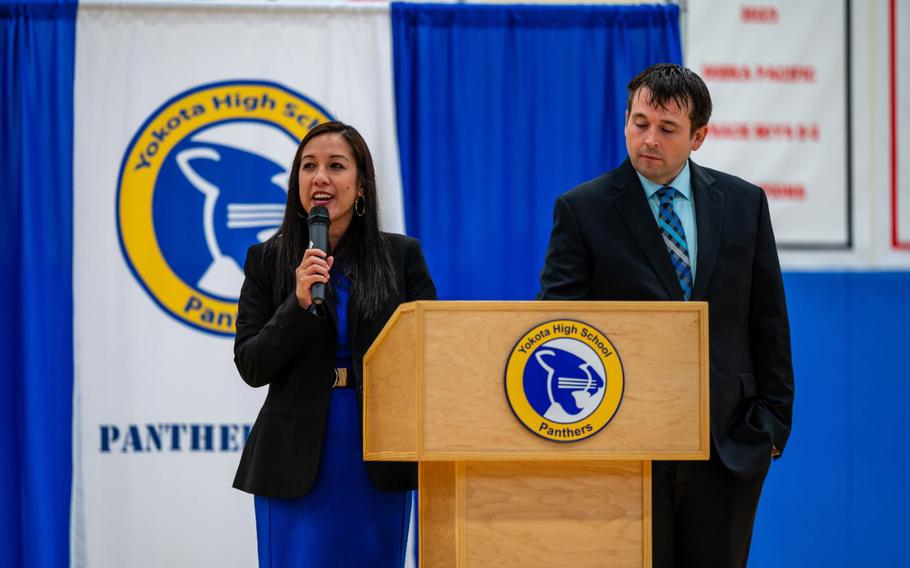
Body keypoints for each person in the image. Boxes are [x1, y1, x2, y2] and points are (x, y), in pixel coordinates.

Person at [538, 63, 794, 567]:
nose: (649, 139)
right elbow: (560, 327)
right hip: (623, 445)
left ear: (698, 136)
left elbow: (768, 320)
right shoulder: (582, 208)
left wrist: (772, 430)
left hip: (728, 443)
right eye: (639, 123)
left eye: (667, 128)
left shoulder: (744, 203)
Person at [232, 121, 436, 567]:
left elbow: (432, 352)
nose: (320, 177)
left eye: (336, 166)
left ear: (361, 186)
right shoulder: (267, 260)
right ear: (296, 184)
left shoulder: (402, 258)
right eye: (308, 166)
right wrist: (297, 304)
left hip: (376, 455)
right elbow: (251, 364)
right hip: (292, 456)